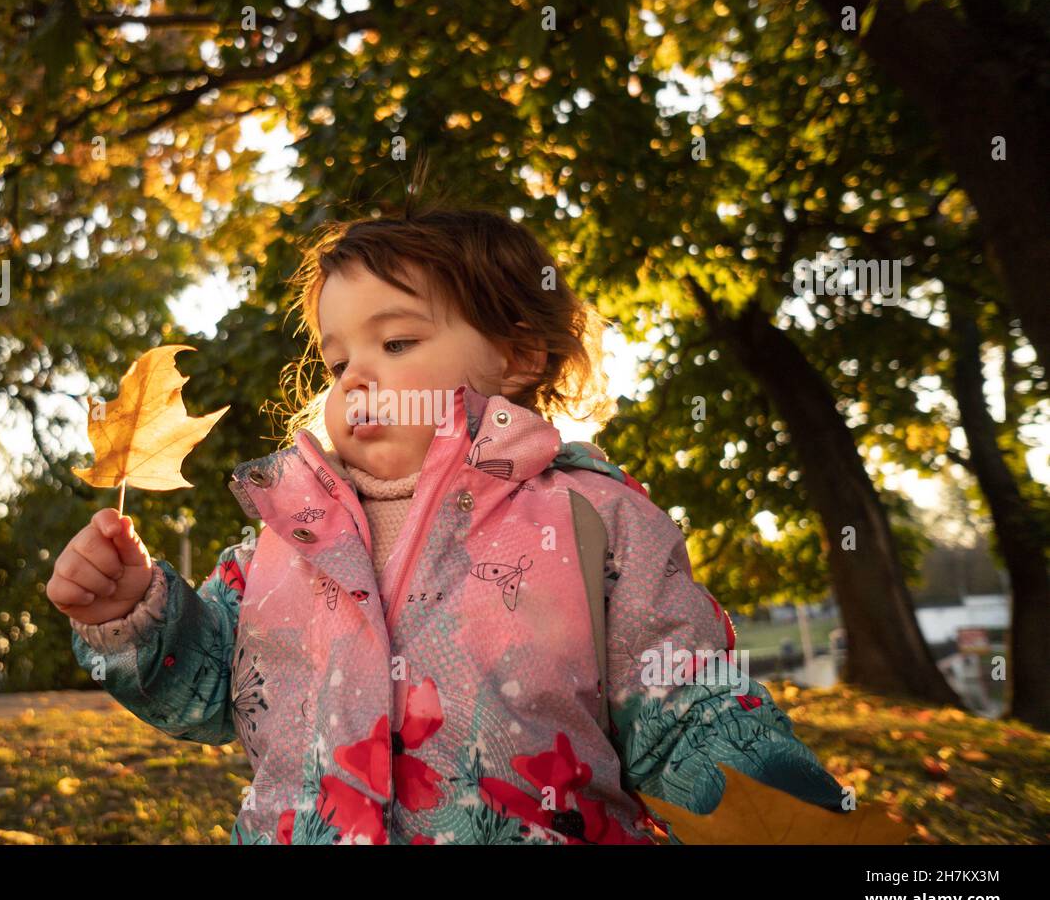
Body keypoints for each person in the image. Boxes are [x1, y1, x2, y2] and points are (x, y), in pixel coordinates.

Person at [46, 206, 848, 844]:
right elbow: (209, 682)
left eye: (396, 341)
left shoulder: (592, 520)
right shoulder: (283, 543)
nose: (357, 373)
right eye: (335, 361)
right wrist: (134, 615)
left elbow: (689, 716)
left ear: (517, 355)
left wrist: (802, 823)